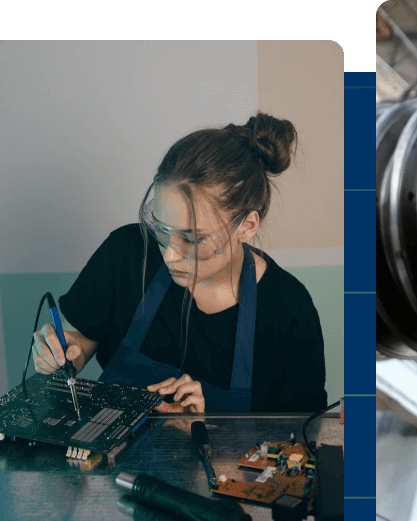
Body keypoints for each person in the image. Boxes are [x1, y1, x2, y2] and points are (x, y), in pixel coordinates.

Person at [30, 113, 327, 413]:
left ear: (247, 227)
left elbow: (302, 439)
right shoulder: (126, 253)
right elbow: (78, 340)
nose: (170, 255)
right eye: (161, 229)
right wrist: (62, 354)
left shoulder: (289, 309)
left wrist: (207, 431)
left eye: (193, 239)